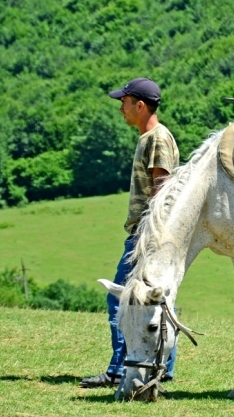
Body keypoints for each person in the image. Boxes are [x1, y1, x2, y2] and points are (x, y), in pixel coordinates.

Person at [80, 78, 180, 388]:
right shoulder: (149, 137)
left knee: (120, 299)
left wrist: (147, 237)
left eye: (124, 101)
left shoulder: (158, 138)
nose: (120, 107)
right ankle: (163, 367)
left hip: (146, 235)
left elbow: (161, 190)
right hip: (145, 234)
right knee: (155, 301)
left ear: (140, 105)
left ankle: (121, 369)